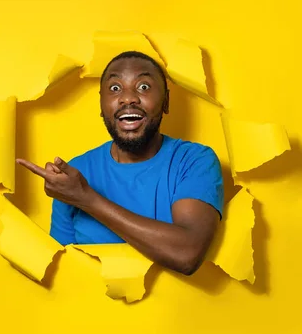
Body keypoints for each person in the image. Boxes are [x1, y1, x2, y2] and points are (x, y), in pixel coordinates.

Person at [16, 51, 224, 276]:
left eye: (143, 87)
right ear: (101, 105)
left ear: (166, 101)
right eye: (115, 88)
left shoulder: (194, 161)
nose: (128, 98)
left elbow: (187, 254)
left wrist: (86, 198)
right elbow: (64, 275)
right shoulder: (73, 174)